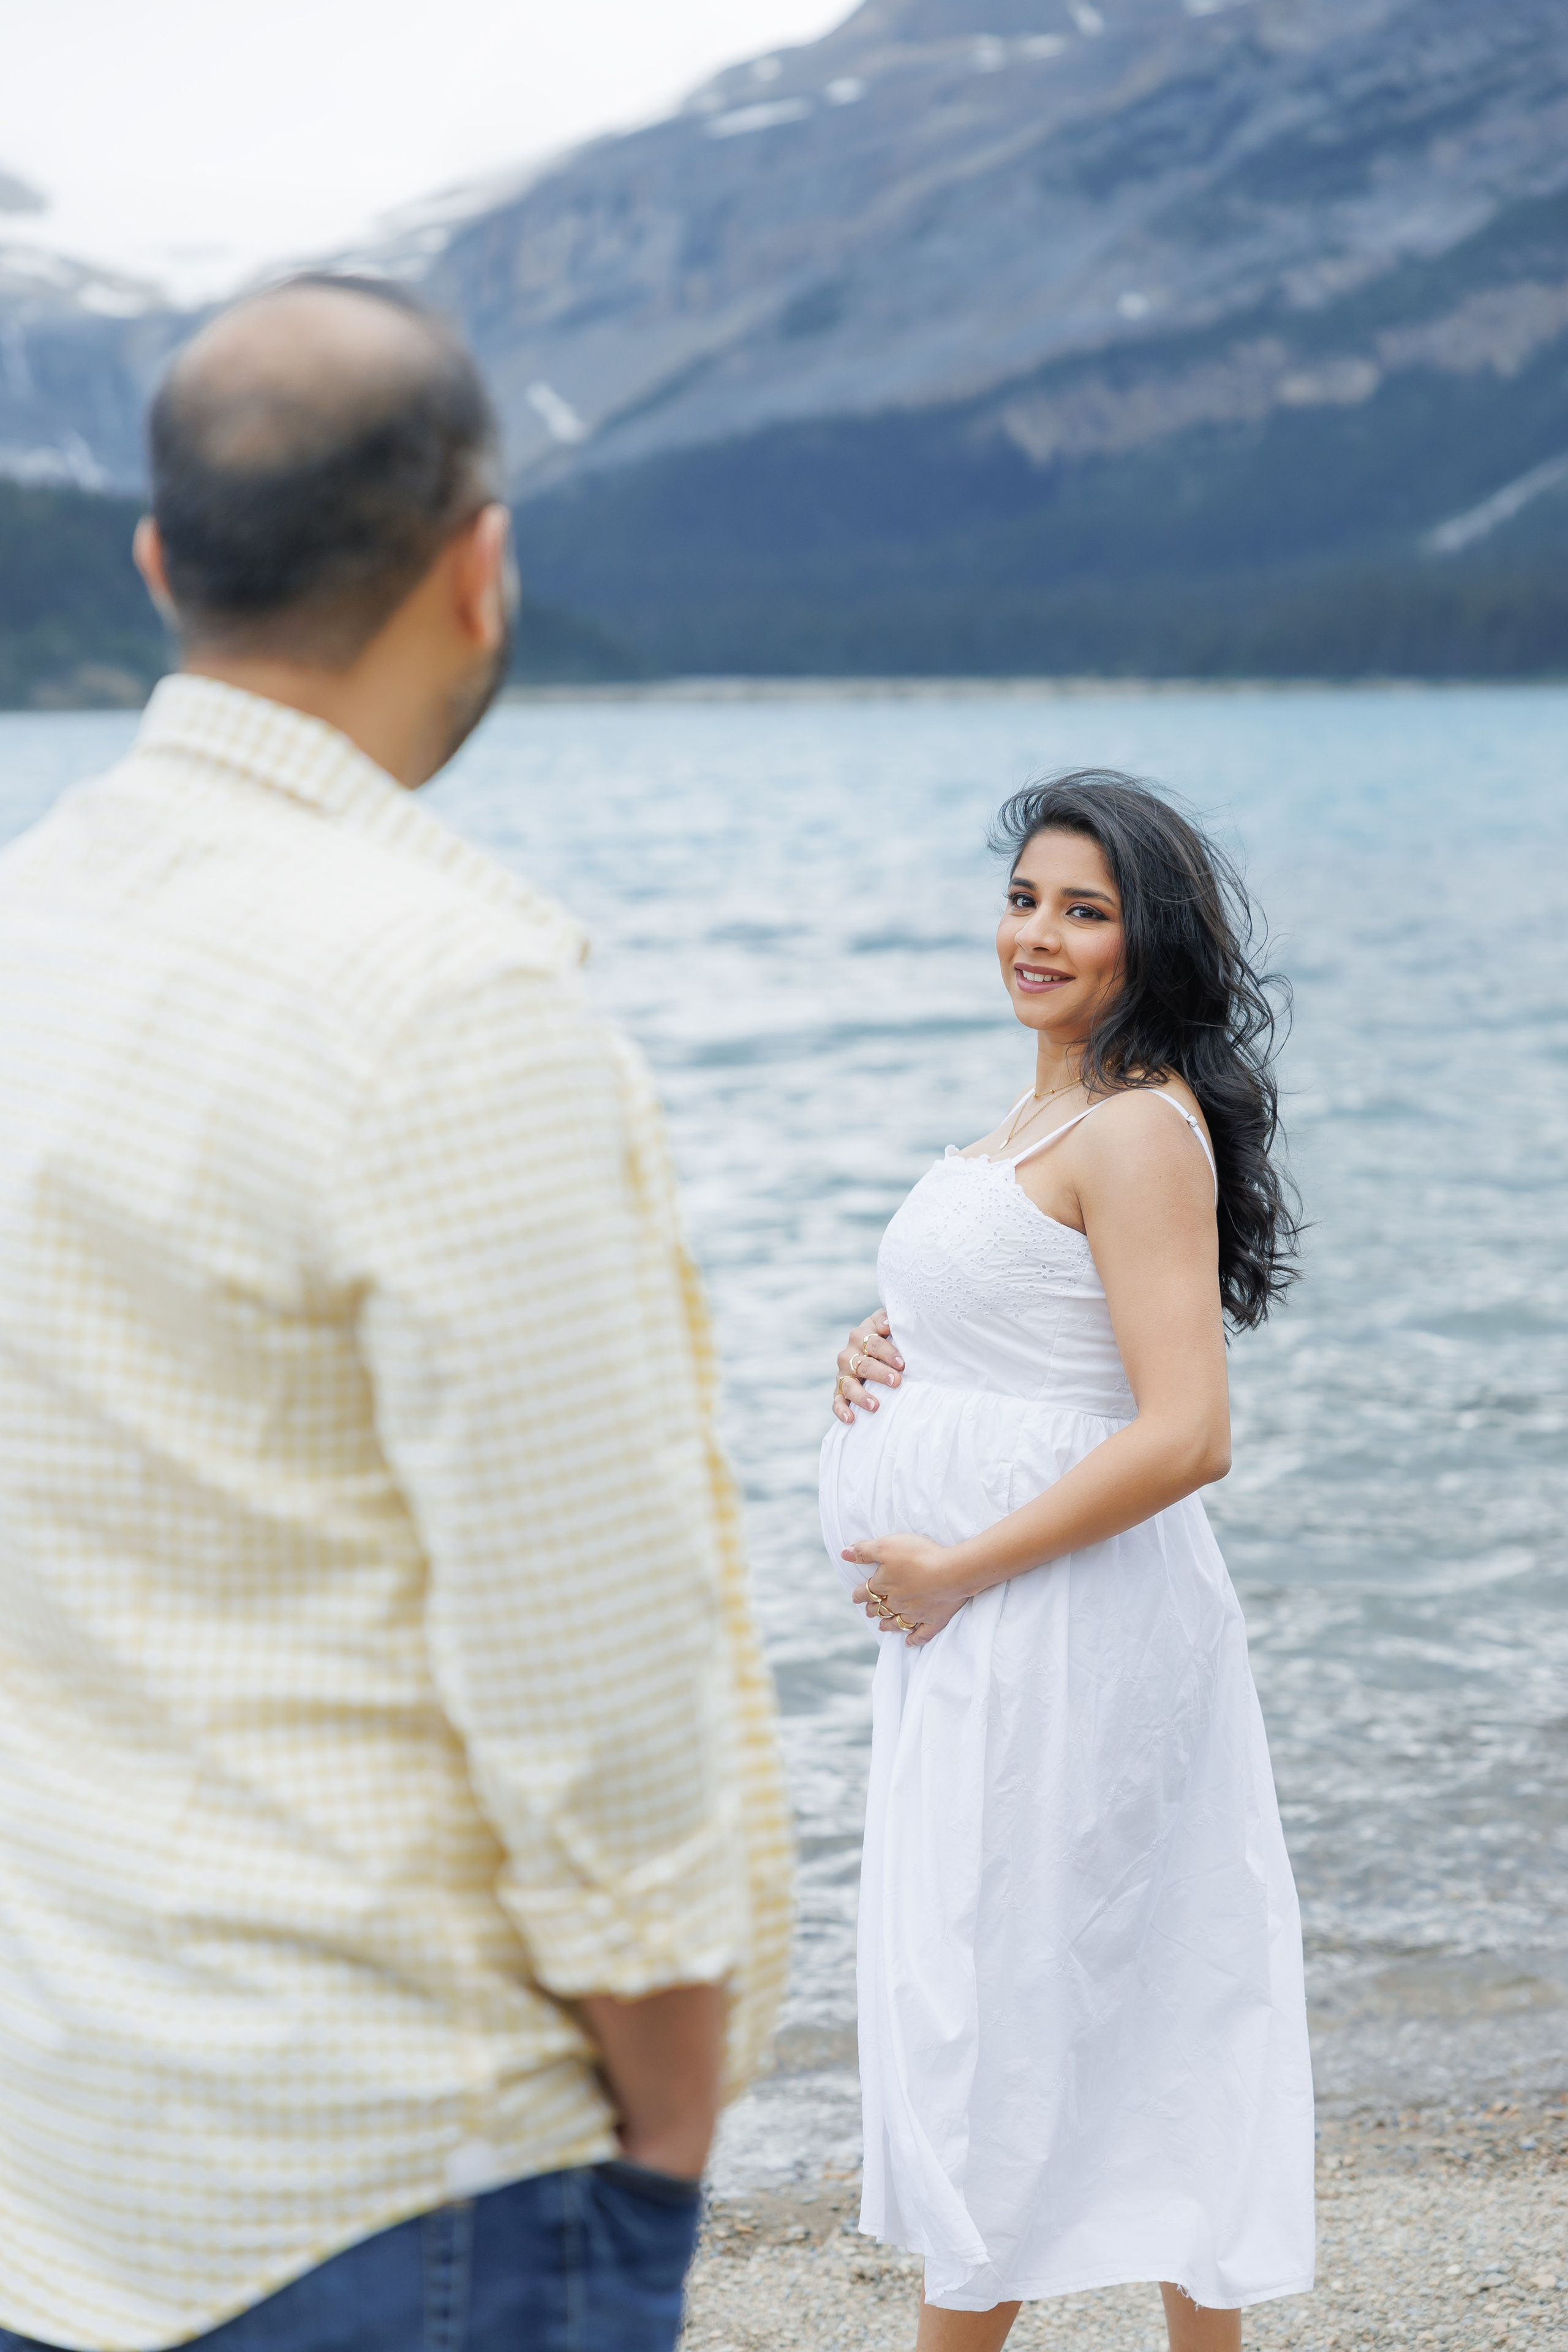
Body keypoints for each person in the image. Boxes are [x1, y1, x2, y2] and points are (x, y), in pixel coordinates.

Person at [0, 276, 793, 2352]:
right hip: (395, 2174)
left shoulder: (27, 932)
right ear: (480, 561)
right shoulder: (446, 1008)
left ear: (164, 561)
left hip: (66, 2152)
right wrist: (667, 2127)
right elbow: (595, 1686)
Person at [819, 773, 1314, 2351]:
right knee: (1022, 1991)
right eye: (1026, 898)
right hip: (987, 1636)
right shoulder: (1044, 1114)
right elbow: (1029, 1338)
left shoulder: (1139, 1128)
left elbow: (1186, 1433)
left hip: (1067, 1628)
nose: (1037, 934)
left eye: (1082, 910)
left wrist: (959, 1564)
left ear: (1145, 942)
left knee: (1069, 1994)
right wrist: (882, 1352)